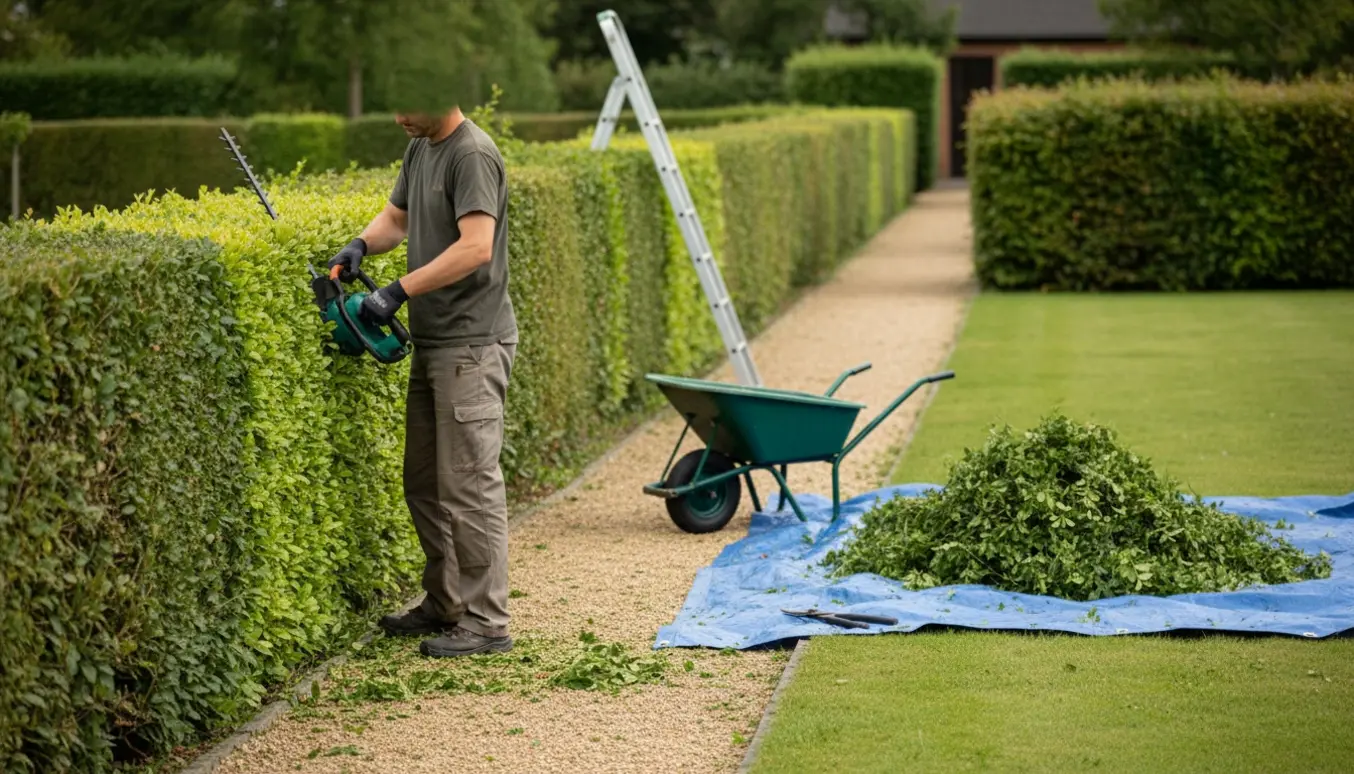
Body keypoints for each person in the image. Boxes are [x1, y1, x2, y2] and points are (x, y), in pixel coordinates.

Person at [328, 104, 518, 658]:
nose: (398, 119)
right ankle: (446, 603)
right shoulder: (421, 147)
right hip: (436, 341)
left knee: (470, 486)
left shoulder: (472, 153)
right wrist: (361, 243)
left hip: (472, 344)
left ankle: (488, 624)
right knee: (426, 482)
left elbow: (476, 246)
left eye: (407, 107)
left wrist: (399, 291)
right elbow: (397, 219)